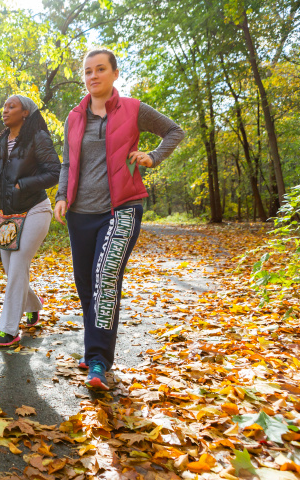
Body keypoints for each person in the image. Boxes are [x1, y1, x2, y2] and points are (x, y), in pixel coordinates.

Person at [54, 49, 185, 390]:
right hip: (79, 214)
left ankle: (99, 361)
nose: (93, 75)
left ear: (114, 73)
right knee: (86, 284)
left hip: (122, 207)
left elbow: (174, 131)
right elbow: (67, 163)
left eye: (100, 69)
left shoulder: (133, 109)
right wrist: (61, 196)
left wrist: (153, 157)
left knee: (106, 277)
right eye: (87, 71)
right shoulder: (74, 117)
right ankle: (91, 350)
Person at [0, 95, 61, 347]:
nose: (5, 110)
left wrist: (22, 186)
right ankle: (33, 304)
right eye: (4, 106)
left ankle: (9, 330)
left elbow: (55, 172)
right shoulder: (0, 141)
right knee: (12, 271)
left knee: (18, 264)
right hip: (7, 214)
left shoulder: (37, 137)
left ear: (25, 113)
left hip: (35, 210)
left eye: (12, 106)